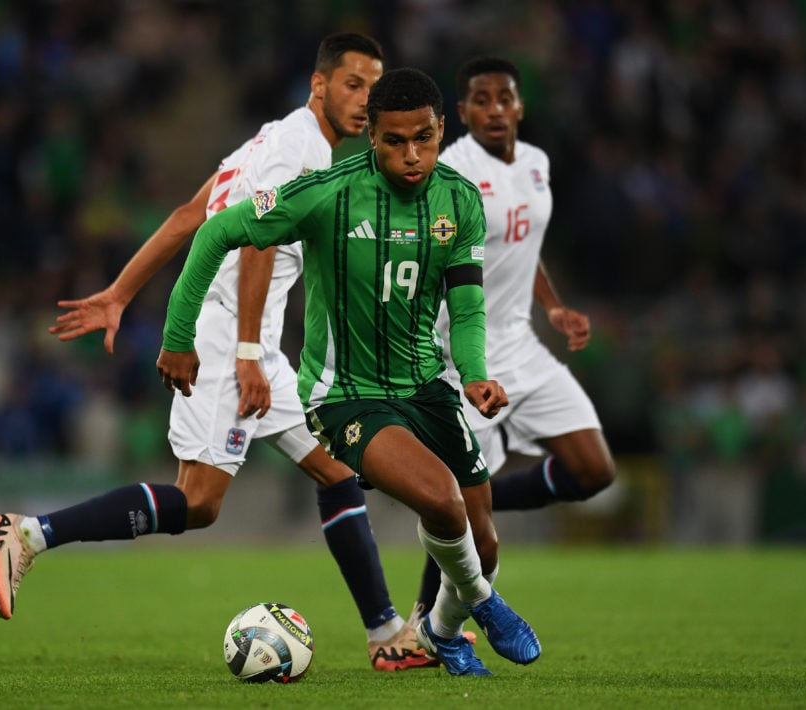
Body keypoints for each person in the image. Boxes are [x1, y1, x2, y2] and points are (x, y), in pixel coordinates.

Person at [0, 33, 436, 673]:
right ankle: (27, 534)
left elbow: (189, 213)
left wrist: (120, 292)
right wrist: (248, 354)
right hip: (230, 339)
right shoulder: (299, 151)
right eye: (353, 85)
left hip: (256, 341)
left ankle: (385, 631)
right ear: (319, 86)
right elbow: (257, 245)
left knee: (336, 473)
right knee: (197, 503)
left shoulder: (270, 138)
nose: (366, 101)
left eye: (374, 86)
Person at [157, 67, 542, 677]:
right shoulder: (325, 192)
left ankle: (441, 631)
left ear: (442, 129)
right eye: (394, 141)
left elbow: (466, 307)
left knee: (484, 541)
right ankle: (487, 607)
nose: (411, 155)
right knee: (444, 503)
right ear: (373, 139)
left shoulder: (461, 201)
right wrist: (180, 336)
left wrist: (474, 375)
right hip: (346, 397)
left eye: (424, 138)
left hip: (428, 386)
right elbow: (215, 234)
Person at [406, 56, 617, 624]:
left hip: (521, 344)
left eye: (505, 98)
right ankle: (422, 623)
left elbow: (523, 241)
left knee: (594, 470)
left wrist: (553, 306)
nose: (494, 109)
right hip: (463, 354)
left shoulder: (537, 164)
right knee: (459, 506)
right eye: (481, 99)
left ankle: (494, 499)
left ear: (520, 106)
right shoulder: (449, 173)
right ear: (463, 111)